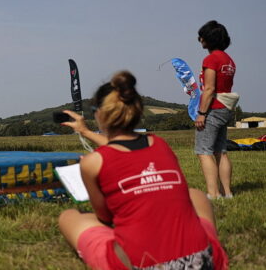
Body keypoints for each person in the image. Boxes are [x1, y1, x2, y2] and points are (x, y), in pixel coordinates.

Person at [57, 71, 228, 269]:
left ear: (100, 114)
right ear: (137, 110)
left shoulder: (92, 162)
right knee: (196, 195)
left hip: (142, 264)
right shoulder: (160, 144)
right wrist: (85, 133)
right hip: (200, 261)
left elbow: (105, 217)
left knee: (69, 217)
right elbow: (124, 148)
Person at [195, 20, 236, 200]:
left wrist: (202, 113)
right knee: (221, 150)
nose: (199, 39)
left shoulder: (211, 59)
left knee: (204, 151)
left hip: (214, 108)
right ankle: (227, 193)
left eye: (201, 35)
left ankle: (213, 194)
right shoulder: (228, 59)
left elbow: (210, 89)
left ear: (208, 39)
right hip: (226, 109)